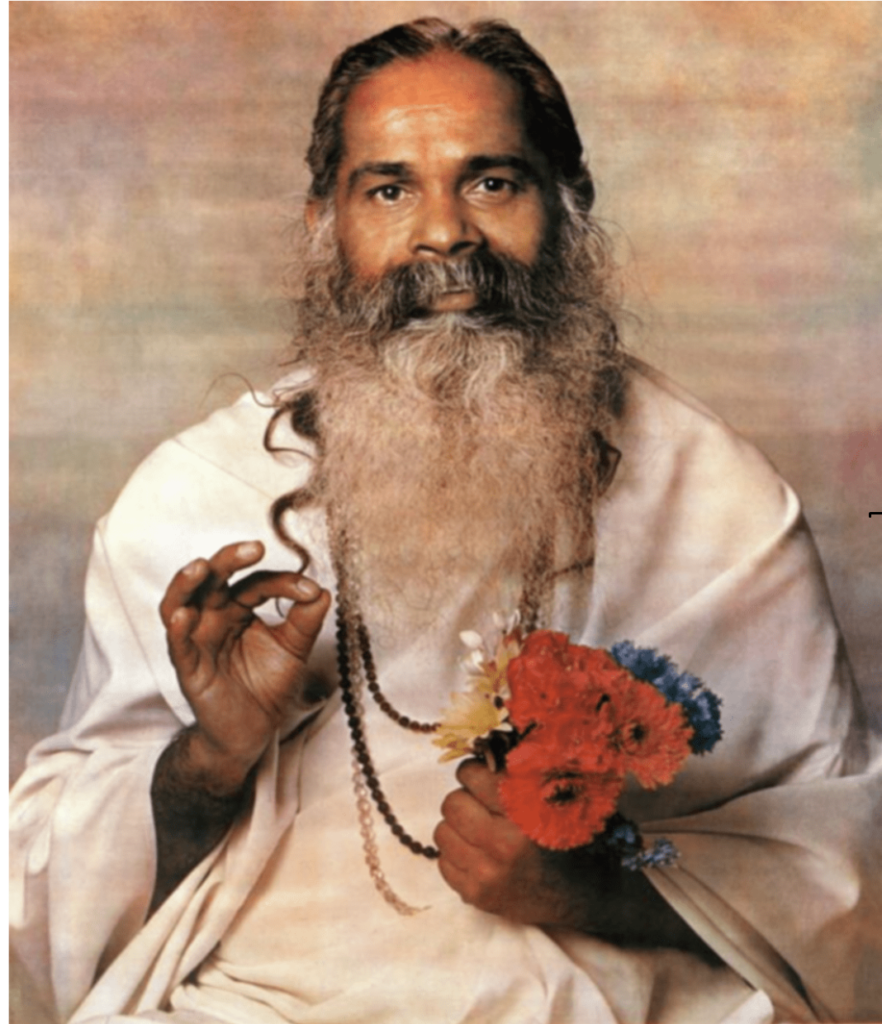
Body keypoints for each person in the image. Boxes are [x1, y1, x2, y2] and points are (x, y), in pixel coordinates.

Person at [9, 17, 881, 1024]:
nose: (446, 234)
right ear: (324, 225)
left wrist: (602, 889)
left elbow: (848, 879)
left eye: (492, 182)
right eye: (389, 190)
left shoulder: (715, 498)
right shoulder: (196, 497)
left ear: (570, 208)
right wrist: (207, 764)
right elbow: (42, 902)